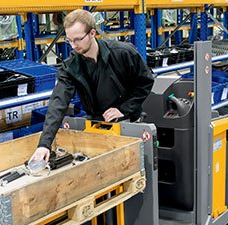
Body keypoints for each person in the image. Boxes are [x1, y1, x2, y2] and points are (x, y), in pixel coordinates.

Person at [31, 9, 155, 163]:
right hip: (96, 124)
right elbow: (58, 102)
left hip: (128, 123)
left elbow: (146, 81)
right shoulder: (71, 66)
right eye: (69, 40)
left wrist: (123, 109)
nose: (73, 46)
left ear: (92, 33)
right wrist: (44, 144)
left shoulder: (122, 53)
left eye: (78, 39)